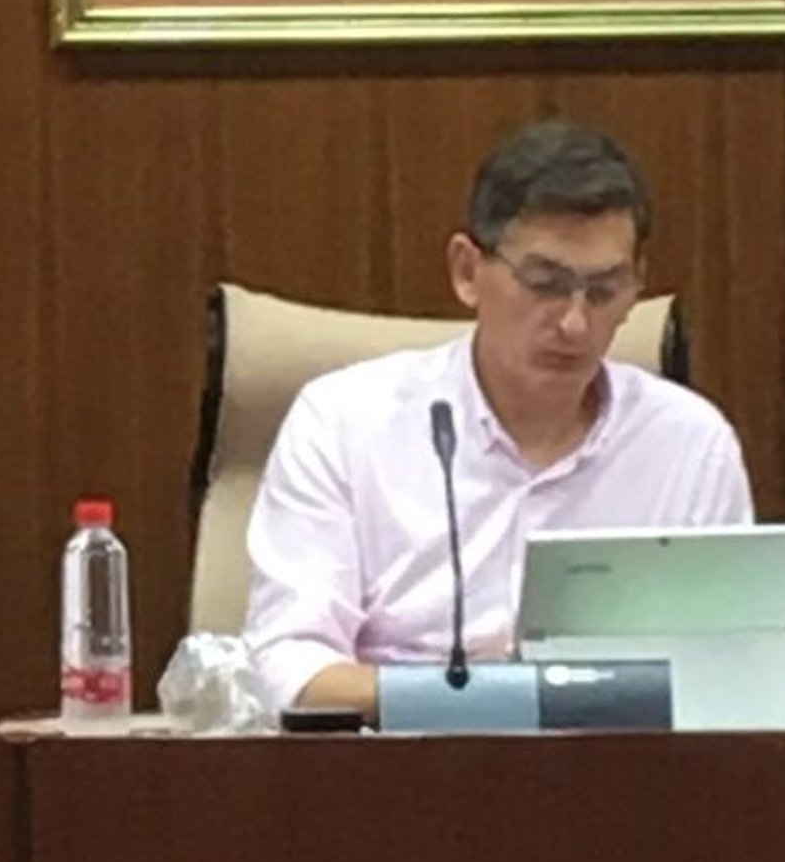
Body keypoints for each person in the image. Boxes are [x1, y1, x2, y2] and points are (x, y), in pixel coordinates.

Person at [243, 121, 754, 721]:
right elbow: (288, 669)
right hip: (395, 759)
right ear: (467, 271)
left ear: (637, 284)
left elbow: (733, 675)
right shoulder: (344, 423)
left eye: (604, 290)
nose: (574, 323)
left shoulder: (689, 444)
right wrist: (475, 699)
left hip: (617, 764)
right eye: (545, 284)